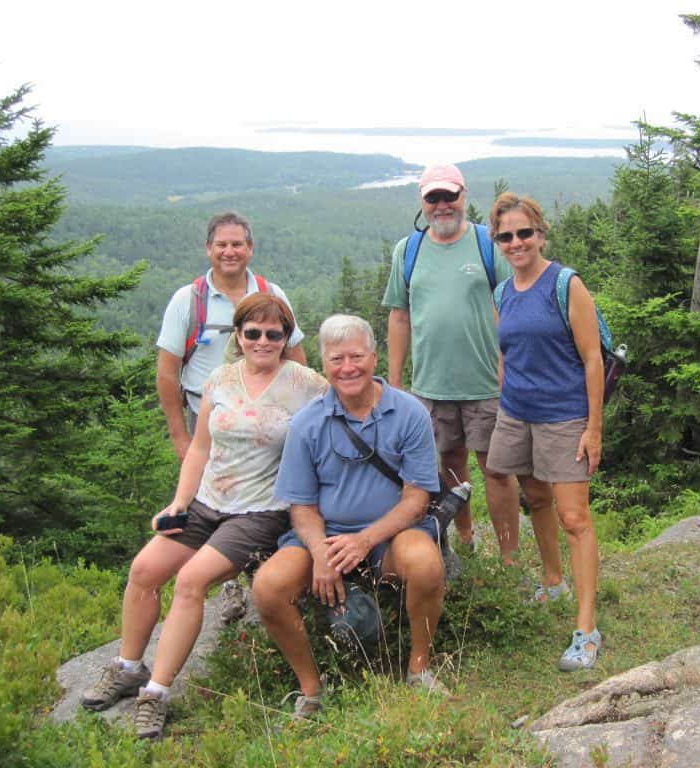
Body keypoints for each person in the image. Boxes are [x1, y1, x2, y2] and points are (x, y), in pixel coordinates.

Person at [81, 294, 327, 739]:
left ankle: (155, 694)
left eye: (275, 334)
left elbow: (340, 418)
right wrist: (179, 502)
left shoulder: (307, 384)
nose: (264, 341)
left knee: (192, 580)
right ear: (238, 334)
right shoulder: (219, 379)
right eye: (253, 332)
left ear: (287, 338)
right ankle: (128, 666)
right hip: (207, 502)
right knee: (144, 570)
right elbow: (199, 449)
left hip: (261, 511)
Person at [253, 314, 447, 719]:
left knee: (426, 563)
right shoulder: (307, 423)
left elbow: (416, 497)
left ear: (374, 358)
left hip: (393, 534)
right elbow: (302, 506)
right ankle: (311, 689)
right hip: (326, 536)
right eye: (337, 359)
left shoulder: (409, 413)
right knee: (269, 587)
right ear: (324, 365)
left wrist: (364, 541)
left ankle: (419, 668)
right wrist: (322, 553)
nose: (348, 368)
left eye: (356, 356)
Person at [156, 211, 307, 621]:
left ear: (250, 248)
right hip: (208, 420)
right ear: (208, 249)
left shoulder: (269, 292)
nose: (229, 251)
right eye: (221, 244)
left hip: (267, 422)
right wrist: (179, 438)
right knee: (210, 502)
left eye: (237, 243)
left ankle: (267, 580)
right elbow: (167, 372)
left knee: (262, 502)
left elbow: (295, 356)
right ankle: (230, 587)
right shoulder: (189, 301)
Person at [485, 192, 605, 671]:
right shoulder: (502, 292)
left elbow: (593, 358)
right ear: (497, 241)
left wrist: (593, 428)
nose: (516, 243)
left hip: (564, 414)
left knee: (574, 518)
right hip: (517, 412)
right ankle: (552, 581)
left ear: (540, 233)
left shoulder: (565, 284)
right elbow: (506, 353)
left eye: (524, 233)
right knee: (533, 497)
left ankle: (587, 628)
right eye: (506, 236)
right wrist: (503, 401)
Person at [382, 164, 519, 562]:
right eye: (433, 198)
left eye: (449, 196)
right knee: (448, 465)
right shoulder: (408, 251)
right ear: (422, 202)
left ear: (464, 196)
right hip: (430, 385)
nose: (442, 205)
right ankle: (466, 539)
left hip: (488, 384)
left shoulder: (488, 244)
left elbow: (511, 305)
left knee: (497, 471)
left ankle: (510, 556)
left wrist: (510, 367)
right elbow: (399, 315)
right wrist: (394, 383)